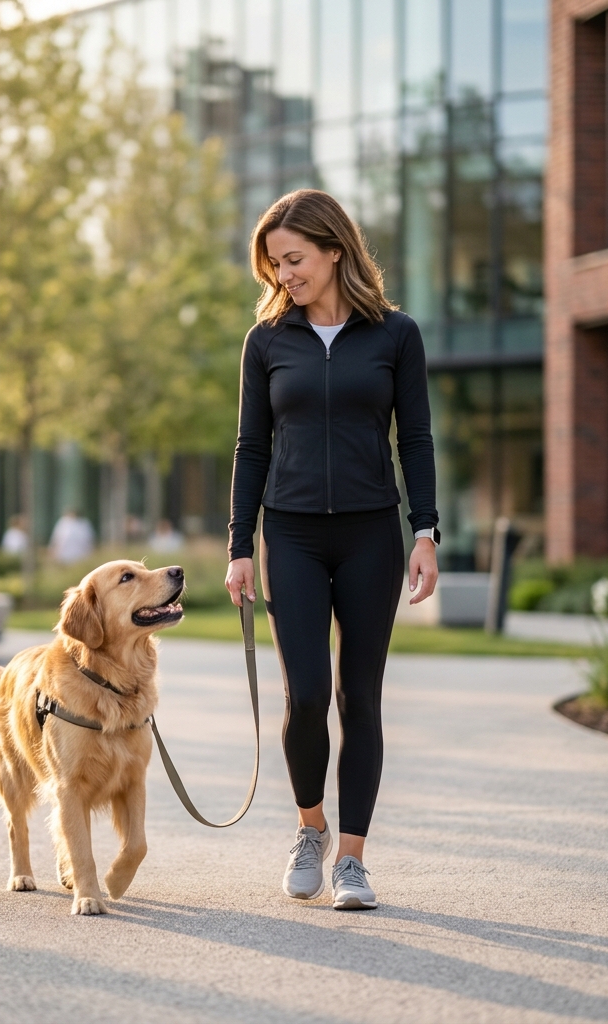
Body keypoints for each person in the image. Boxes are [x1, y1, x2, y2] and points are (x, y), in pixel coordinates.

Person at [225, 189, 439, 912]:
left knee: (360, 696)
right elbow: (252, 448)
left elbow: (416, 439)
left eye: (294, 259)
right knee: (308, 693)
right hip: (289, 534)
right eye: (274, 264)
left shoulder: (395, 335)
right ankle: (310, 827)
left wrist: (426, 532)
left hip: (371, 534)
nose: (284, 275)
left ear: (334, 250)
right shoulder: (266, 342)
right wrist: (240, 545)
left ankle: (352, 860)